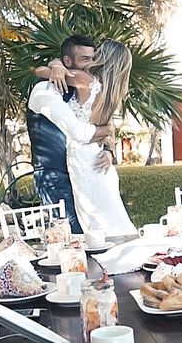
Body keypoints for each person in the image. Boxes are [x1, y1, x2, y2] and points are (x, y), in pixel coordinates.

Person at [34, 39, 137, 236]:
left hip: (82, 157)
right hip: (98, 156)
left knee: (94, 220)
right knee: (111, 217)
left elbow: (40, 72)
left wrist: (55, 66)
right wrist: (109, 150)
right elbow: (108, 128)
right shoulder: (113, 89)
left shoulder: (85, 79)